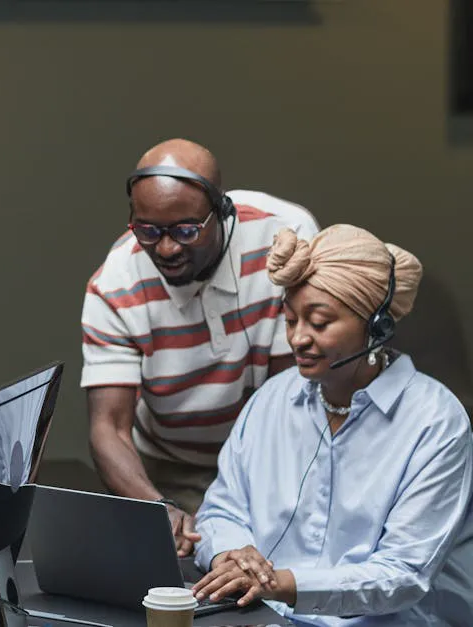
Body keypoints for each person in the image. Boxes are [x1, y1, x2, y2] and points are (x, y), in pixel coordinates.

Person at [191, 225, 473, 625]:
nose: (298, 339)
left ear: (376, 327)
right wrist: (231, 556)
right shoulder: (273, 399)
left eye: (319, 323)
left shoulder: (436, 422)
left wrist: (281, 583)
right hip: (262, 616)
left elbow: (403, 573)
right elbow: (222, 509)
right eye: (290, 321)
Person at [81, 138, 319, 556]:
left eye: (186, 230)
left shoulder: (286, 236)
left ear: (221, 213)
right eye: (148, 231)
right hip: (172, 473)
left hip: (279, 463)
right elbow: (110, 429)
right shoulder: (114, 286)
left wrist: (246, 515)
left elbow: (300, 399)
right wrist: (156, 509)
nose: (167, 248)